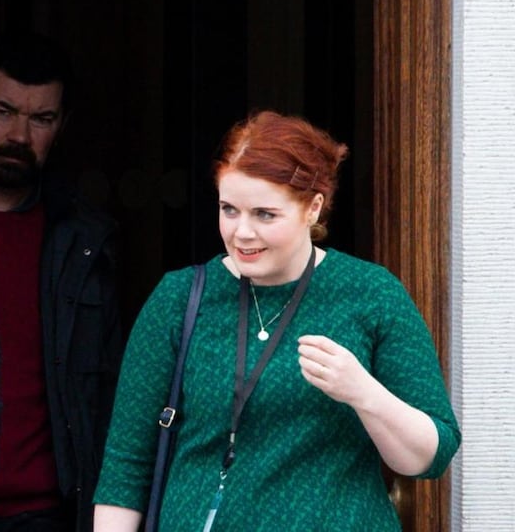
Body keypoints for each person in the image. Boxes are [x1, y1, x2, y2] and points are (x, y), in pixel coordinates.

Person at [93, 110, 461, 531]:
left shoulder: (372, 294)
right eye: (229, 209)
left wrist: (362, 392)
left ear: (313, 208)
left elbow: (430, 457)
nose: (242, 233)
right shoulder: (179, 298)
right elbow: (126, 463)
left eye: (265, 214)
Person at [0, 32, 123, 532]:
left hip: (50, 514)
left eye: (41, 119)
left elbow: (111, 395)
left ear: (61, 126)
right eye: (3, 111)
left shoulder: (86, 241)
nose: (20, 136)